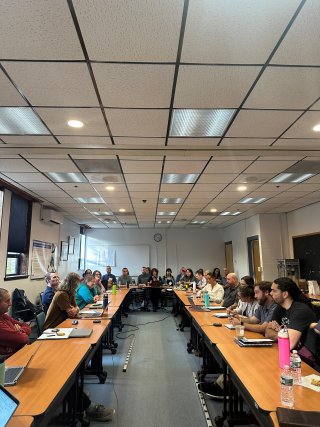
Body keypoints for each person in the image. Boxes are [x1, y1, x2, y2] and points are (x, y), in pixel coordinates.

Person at [43, 273, 114, 422]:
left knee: (83, 346)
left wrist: (74, 310)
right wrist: (74, 310)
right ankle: (77, 394)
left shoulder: (68, 294)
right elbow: (72, 312)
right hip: (53, 332)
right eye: (75, 284)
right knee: (68, 366)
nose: (77, 287)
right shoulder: (62, 295)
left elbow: (75, 310)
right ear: (71, 284)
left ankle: (75, 388)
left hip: (63, 330)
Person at [265, 277, 318, 363]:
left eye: (274, 291)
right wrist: (283, 334)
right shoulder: (279, 308)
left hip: (306, 359)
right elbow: (267, 332)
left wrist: (280, 331)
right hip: (292, 354)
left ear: (285, 294)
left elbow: (289, 344)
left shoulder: (300, 310)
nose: (271, 293)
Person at [0, 288, 31, 356]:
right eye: (7, 301)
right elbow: (23, 339)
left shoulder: (3, 316)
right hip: (9, 359)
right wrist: (18, 333)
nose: (10, 304)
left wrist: (20, 330)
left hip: (20, 352)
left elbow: (26, 325)